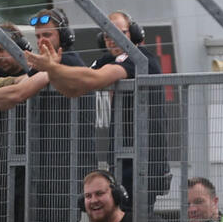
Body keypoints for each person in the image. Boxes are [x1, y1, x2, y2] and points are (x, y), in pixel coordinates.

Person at [26, 11, 172, 211]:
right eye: (107, 36)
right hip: (122, 156)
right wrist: (53, 69)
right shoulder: (108, 59)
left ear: (135, 34)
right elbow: (75, 88)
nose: (112, 40)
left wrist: (52, 67)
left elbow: (96, 79)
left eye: (119, 34)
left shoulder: (140, 57)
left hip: (145, 158)